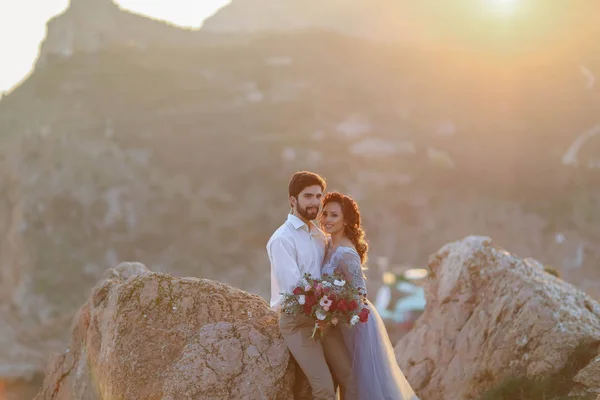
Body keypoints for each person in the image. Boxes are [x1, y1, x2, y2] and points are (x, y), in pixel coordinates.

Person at [266, 171, 358, 400]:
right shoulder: (282, 239)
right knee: (324, 389)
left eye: (318, 196)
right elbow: (295, 288)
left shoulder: (318, 235)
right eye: (308, 196)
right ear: (292, 200)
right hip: (297, 320)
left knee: (349, 378)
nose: (315, 202)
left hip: (323, 316)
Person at [319, 191, 420, 400]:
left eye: (334, 215)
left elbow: (359, 293)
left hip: (355, 324)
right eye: (325, 214)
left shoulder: (346, 252)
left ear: (346, 220)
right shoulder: (329, 245)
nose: (327, 219)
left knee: (360, 381)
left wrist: (333, 311)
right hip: (339, 320)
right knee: (346, 377)